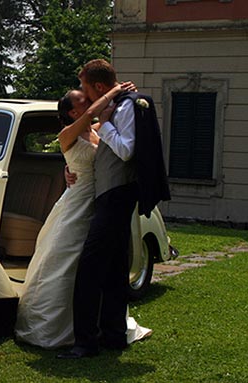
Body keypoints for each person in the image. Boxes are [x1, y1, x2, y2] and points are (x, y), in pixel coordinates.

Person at [15, 80, 152, 349]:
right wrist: (111, 91)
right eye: (83, 102)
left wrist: (121, 94)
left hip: (100, 201)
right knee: (63, 258)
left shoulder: (98, 131)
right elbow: (89, 122)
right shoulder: (68, 134)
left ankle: (99, 323)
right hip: (78, 202)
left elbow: (110, 125)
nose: (89, 104)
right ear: (74, 113)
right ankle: (56, 326)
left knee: (96, 264)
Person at [57, 59, 169, 359]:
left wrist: (105, 123)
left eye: (84, 87)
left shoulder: (127, 107)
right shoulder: (114, 106)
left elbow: (125, 150)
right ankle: (114, 334)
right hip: (109, 194)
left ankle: (85, 342)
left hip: (117, 195)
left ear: (98, 87)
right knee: (115, 270)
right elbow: (76, 141)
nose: (84, 93)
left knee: (90, 270)